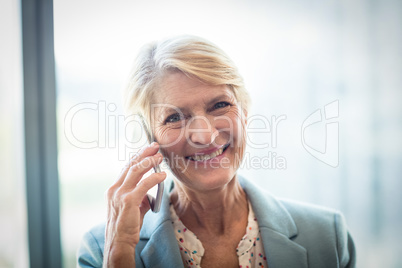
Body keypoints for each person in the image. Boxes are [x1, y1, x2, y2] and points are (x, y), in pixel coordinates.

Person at [77, 35, 356, 268]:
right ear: (152, 139)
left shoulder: (327, 236)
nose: (206, 135)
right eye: (174, 118)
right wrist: (119, 256)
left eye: (220, 105)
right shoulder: (101, 251)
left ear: (245, 113)